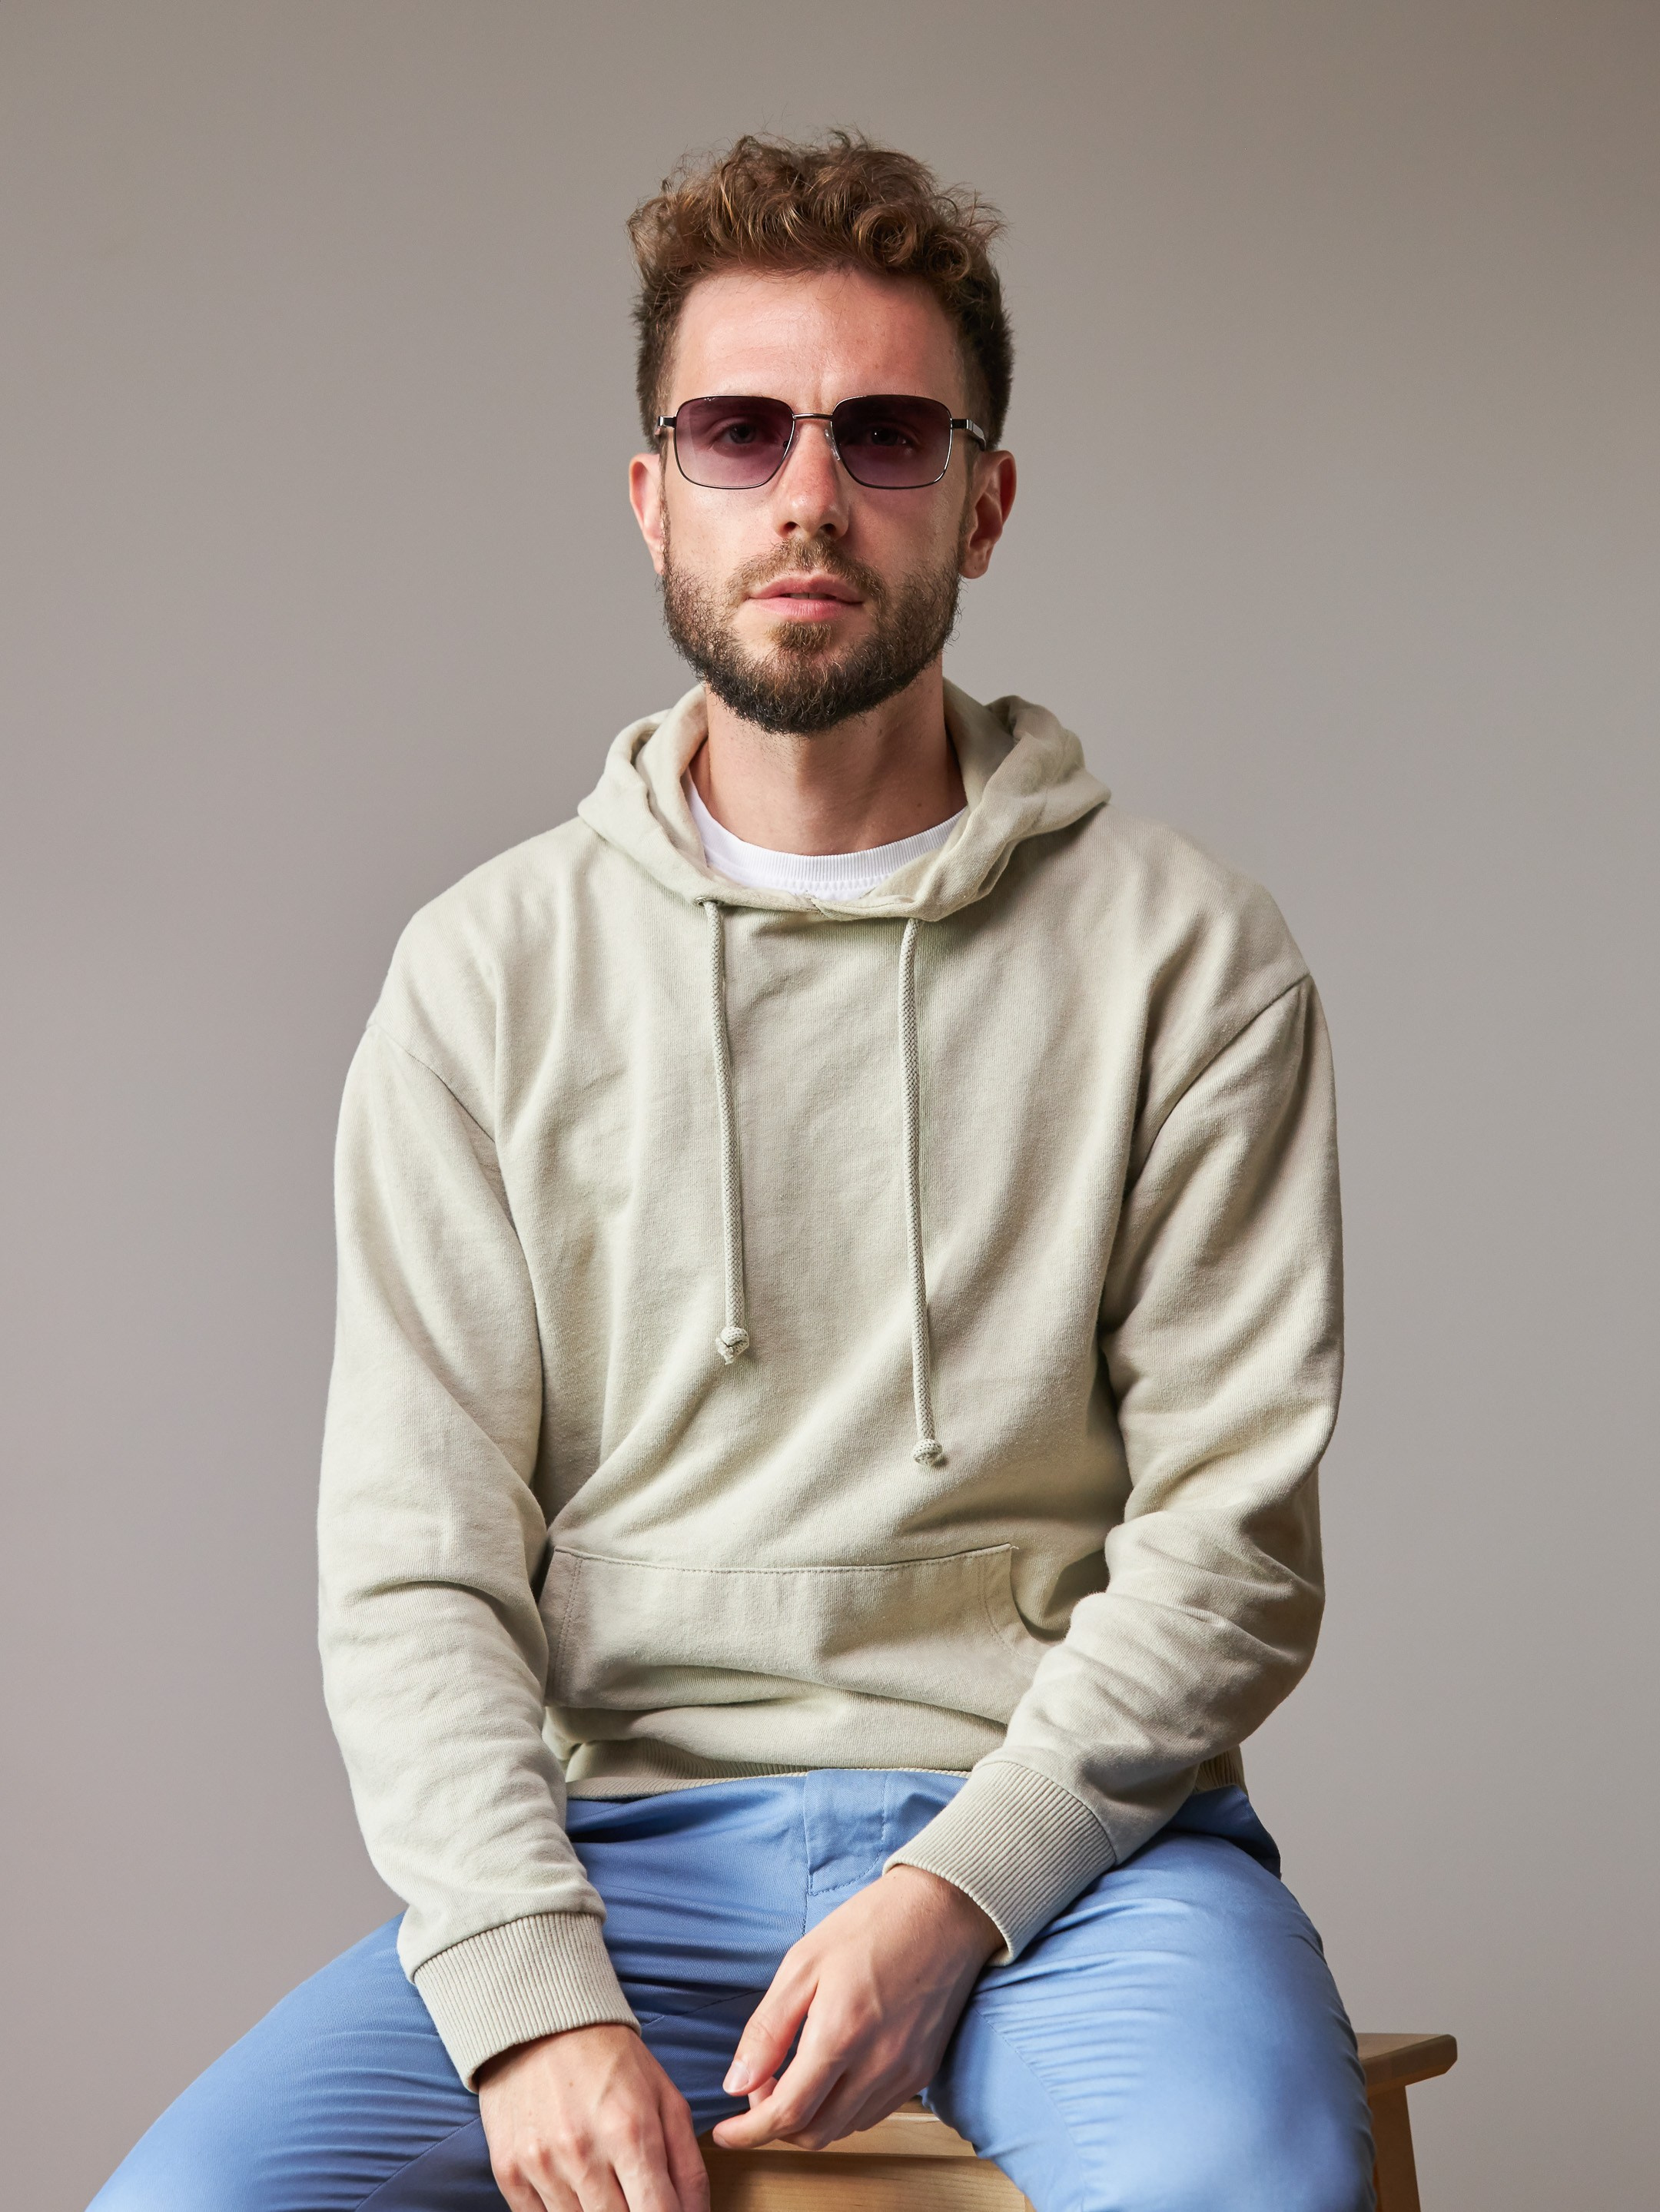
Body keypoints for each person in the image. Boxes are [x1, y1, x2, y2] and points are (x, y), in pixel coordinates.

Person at [92, 132, 1372, 2212]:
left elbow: (1233, 1544)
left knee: (1244, 2184)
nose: (807, 493)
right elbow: (413, 1565)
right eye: (738, 429)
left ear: (985, 496)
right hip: (623, 1871)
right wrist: (534, 2004)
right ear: (649, 494)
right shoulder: (483, 979)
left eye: (882, 434)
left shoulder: (1186, 955)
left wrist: (959, 1892)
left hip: (1078, 1863)